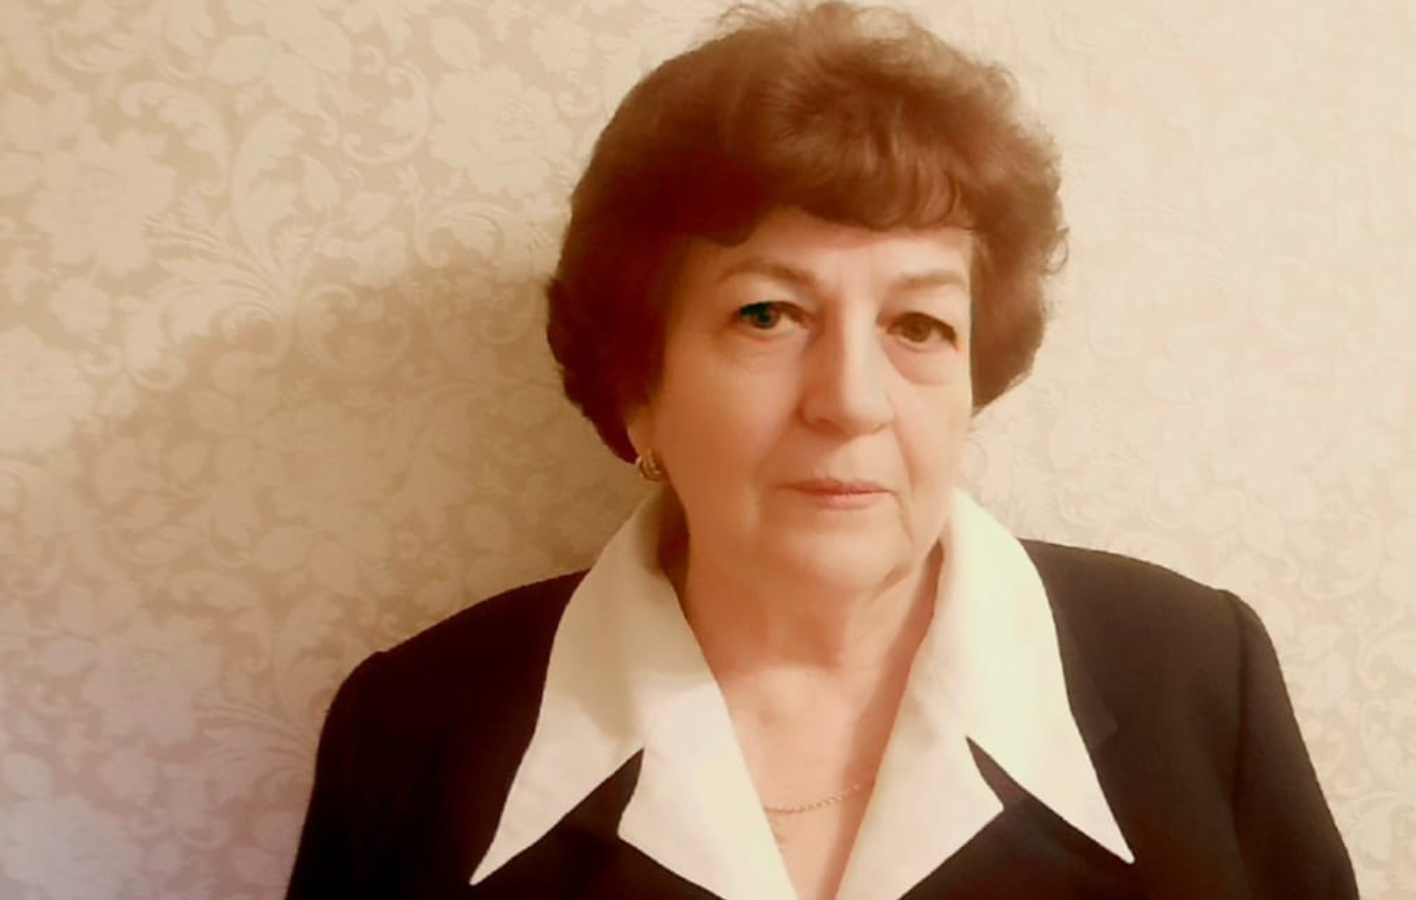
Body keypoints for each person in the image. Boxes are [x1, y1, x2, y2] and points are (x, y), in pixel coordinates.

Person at [285, 3, 1358, 899]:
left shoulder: (1195, 675)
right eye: (767, 315)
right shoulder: (415, 731)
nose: (851, 401)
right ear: (636, 389)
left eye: (918, 325)